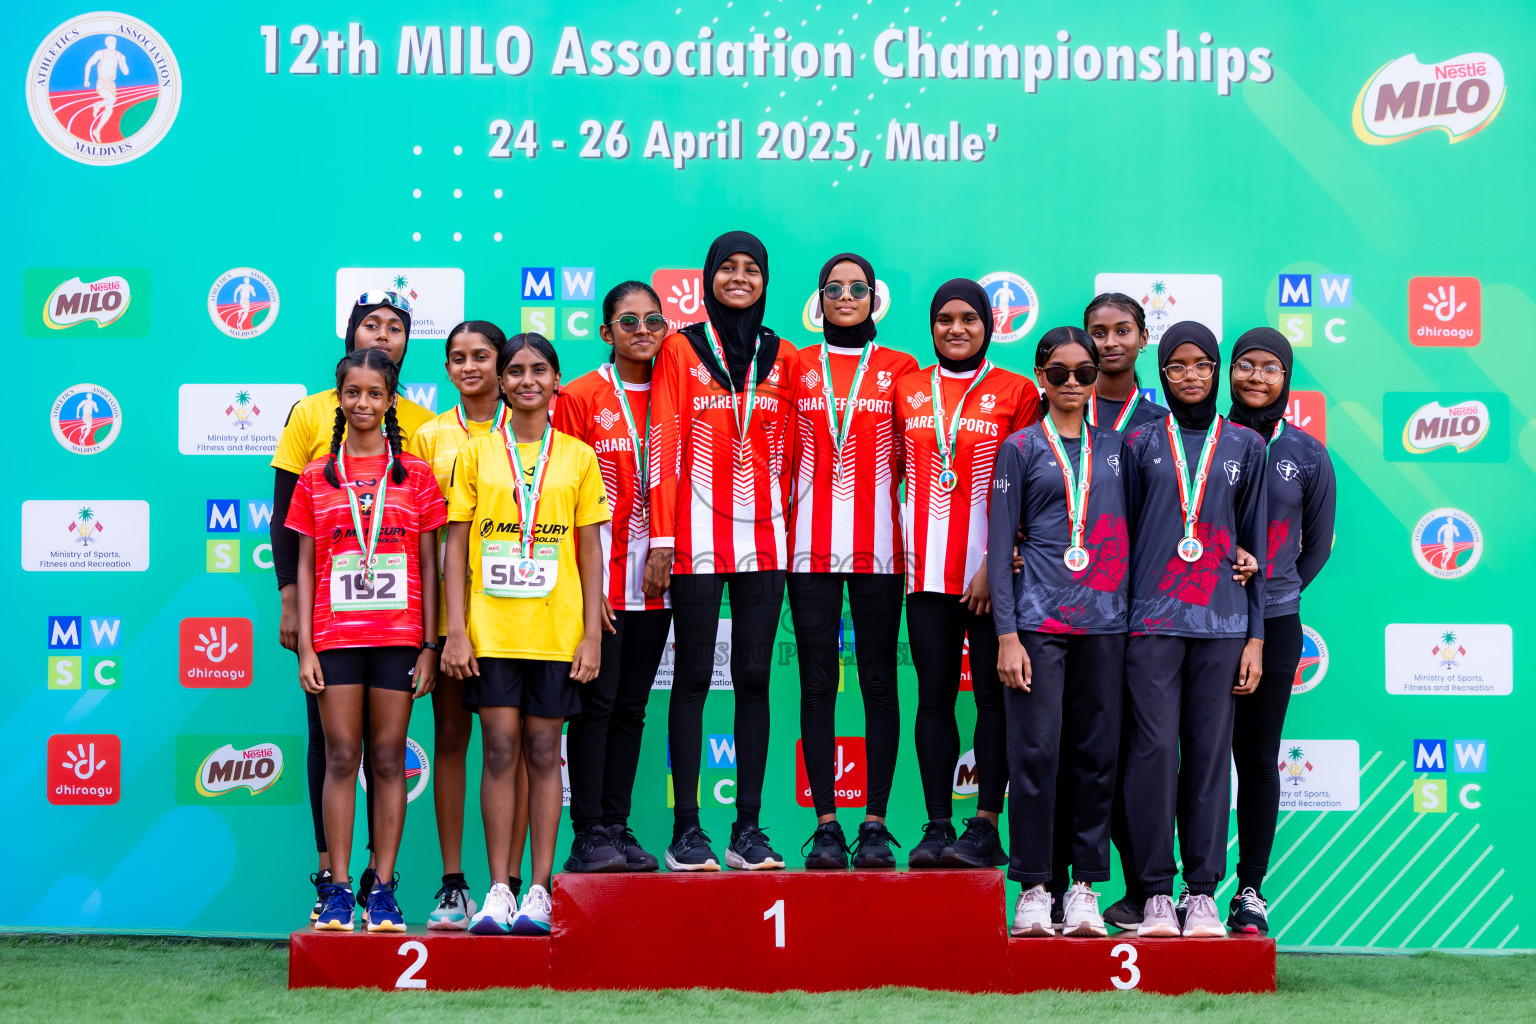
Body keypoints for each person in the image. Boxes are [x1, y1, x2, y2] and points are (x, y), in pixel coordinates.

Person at [271, 290, 436, 923]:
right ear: (339, 394)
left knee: (389, 757)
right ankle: (336, 886)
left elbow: (428, 561)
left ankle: (384, 886)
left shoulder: (417, 463)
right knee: (340, 754)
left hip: (397, 637)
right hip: (334, 636)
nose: (363, 402)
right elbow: (304, 553)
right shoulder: (316, 467)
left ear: (390, 397)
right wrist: (303, 630)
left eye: (396, 328)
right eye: (352, 394)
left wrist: (428, 640)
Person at [442, 332, 607, 936]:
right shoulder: (477, 453)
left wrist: (591, 634)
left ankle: (539, 889)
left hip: (556, 632)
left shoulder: (579, 458)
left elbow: (590, 550)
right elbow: (456, 545)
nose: (527, 380)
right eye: (515, 371)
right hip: (492, 631)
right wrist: (455, 631)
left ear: (555, 379)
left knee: (543, 753)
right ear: (503, 383)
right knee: (500, 750)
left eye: (539, 369)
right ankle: (497, 890)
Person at [645, 231, 796, 871]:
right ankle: (688, 831)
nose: (739, 278)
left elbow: (796, 450)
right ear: (708, 278)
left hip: (766, 542)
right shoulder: (681, 348)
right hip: (697, 543)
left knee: (755, 679)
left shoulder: (782, 353)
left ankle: (750, 830)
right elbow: (664, 441)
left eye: (751, 269)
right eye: (727, 268)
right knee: (694, 678)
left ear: (765, 280)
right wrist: (662, 536)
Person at [1120, 321, 1267, 938]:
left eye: (1201, 364)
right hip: (1150, 622)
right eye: (1177, 364)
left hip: (1223, 624)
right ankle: (1155, 892)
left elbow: (1255, 548)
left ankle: (1202, 891)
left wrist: (1256, 635)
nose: (1188, 375)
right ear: (1163, 371)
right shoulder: (1137, 443)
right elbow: (1115, 537)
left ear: (1216, 372)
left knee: (1209, 758)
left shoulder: (1245, 447)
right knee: (1153, 754)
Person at [990, 327, 1132, 937]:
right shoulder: (1020, 448)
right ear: (1041, 375)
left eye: (1084, 371)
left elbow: (1163, 524)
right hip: (1037, 624)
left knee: (1095, 758)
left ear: (1098, 375)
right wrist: (1006, 635)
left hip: (1105, 623)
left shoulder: (1121, 449)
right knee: (1035, 755)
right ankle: (1034, 887)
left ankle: (1081, 890)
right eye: (1059, 372)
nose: (1072, 382)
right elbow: (999, 549)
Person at [895, 279, 1039, 869]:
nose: (956, 329)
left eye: (969, 319)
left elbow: (1033, 486)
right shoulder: (908, 389)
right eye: (945, 319)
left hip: (993, 578)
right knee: (933, 698)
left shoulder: (1018, 391)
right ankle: (936, 825)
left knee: (993, 703)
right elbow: (897, 478)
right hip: (925, 574)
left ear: (989, 325)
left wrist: (992, 564)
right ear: (932, 326)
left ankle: (984, 825)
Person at [786, 253, 917, 869]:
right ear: (819, 297)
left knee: (878, 685)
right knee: (816, 684)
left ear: (874, 298)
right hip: (805, 551)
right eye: (833, 287)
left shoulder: (901, 368)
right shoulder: (796, 365)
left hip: (881, 551)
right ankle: (828, 825)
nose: (845, 296)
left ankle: (874, 823)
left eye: (857, 287)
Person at [406, 320, 530, 927]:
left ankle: (513, 886)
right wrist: (441, 631)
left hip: (520, 618)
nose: (469, 367)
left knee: (520, 749)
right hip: (454, 618)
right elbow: (424, 542)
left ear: (503, 364)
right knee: (453, 740)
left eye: (482, 356)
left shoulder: (534, 430)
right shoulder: (429, 437)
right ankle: (454, 883)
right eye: (457, 358)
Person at [552, 283, 674, 873]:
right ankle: (588, 832)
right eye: (629, 321)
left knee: (632, 708)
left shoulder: (679, 391)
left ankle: (619, 828)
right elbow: (561, 492)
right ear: (606, 333)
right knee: (596, 705)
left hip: (660, 580)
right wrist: (583, 584)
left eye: (654, 319)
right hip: (599, 578)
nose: (642, 329)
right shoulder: (579, 395)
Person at [1226, 327, 1336, 935]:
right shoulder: (1208, 440)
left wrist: (1273, 594)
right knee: (1202, 756)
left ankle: (1249, 890)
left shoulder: (1308, 454)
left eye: (1271, 367)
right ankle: (1189, 888)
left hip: (1275, 621)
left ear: (1286, 377)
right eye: (1245, 365)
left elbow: (1315, 548)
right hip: (1205, 620)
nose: (1257, 377)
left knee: (1258, 756)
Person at [1076, 291, 1169, 930]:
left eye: (1121, 331)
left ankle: (1145, 889)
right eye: (1098, 332)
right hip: (1074, 609)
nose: (1109, 343)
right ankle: (1068, 885)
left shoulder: (1165, 420)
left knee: (1146, 750)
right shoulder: (1061, 403)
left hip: (1150, 612)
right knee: (1086, 748)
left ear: (1143, 338)